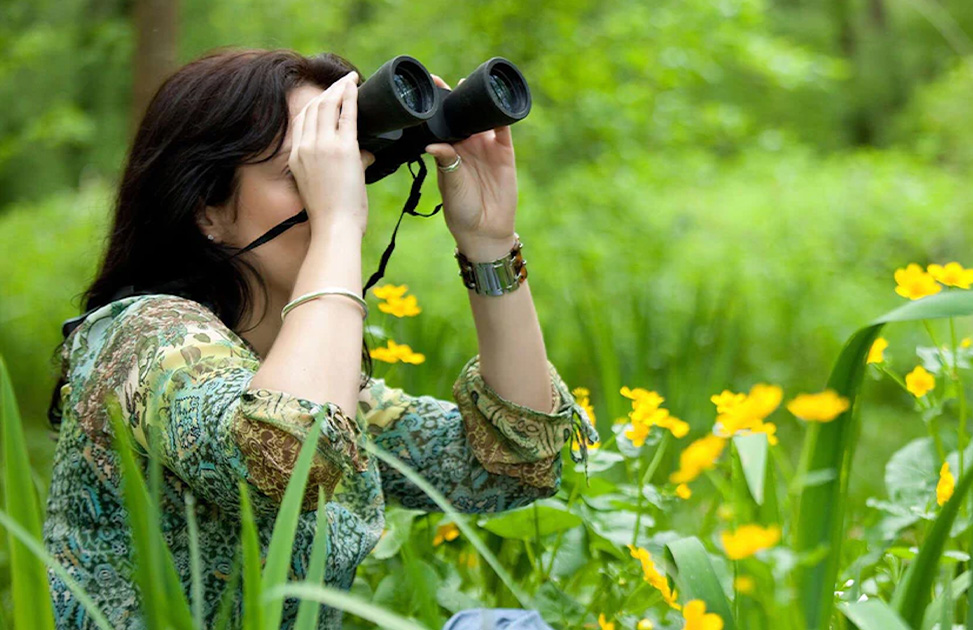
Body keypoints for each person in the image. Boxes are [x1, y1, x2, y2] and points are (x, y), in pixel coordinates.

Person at [41, 47, 597, 629]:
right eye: (300, 174)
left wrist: (489, 244)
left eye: (343, 172)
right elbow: (288, 457)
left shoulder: (319, 383)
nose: (340, 193)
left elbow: (515, 465)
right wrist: (335, 222)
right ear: (208, 210)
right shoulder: (140, 339)